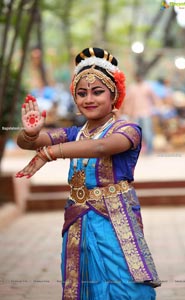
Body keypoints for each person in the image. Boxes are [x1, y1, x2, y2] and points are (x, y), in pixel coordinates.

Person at [16, 47, 161, 300]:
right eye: (81, 93)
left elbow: (101, 146)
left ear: (113, 94)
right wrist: (30, 133)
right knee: (83, 284)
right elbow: (29, 142)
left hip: (115, 219)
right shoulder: (75, 134)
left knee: (124, 283)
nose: (89, 99)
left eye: (97, 92)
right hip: (79, 218)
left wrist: (50, 153)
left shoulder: (128, 130)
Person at [120, 72, 158, 154]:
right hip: (135, 113)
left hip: (146, 113)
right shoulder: (132, 88)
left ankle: (150, 150)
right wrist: (127, 111)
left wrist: (157, 108)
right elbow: (128, 101)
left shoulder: (147, 86)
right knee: (136, 133)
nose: (138, 78)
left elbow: (154, 98)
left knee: (147, 132)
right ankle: (136, 151)